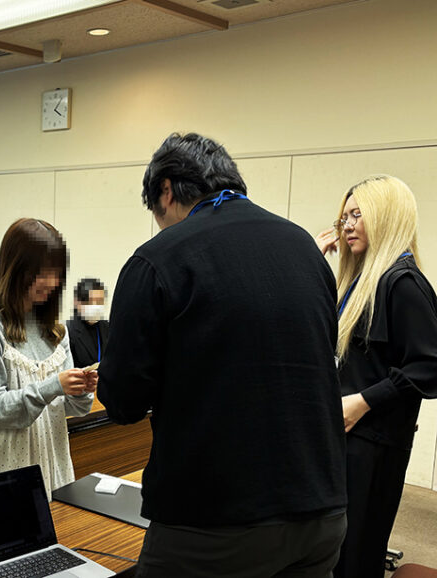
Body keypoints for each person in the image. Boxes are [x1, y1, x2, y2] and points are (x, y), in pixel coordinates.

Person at [97, 133, 347, 577]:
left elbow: (122, 402)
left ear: (166, 190)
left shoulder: (157, 259)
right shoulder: (305, 249)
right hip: (321, 509)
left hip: (214, 524)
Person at [315, 175, 437, 578]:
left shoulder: (402, 283)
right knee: (335, 547)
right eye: (344, 217)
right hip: (350, 437)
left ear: (385, 215)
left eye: (358, 215)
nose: (347, 226)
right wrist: (315, 261)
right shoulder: (364, 281)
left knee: (357, 551)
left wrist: (362, 402)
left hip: (374, 444)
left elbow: (429, 367)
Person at [0, 218, 96, 495]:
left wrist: (80, 390)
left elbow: (66, 409)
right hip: (2, 468)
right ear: (16, 269)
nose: (52, 282)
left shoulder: (54, 330)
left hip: (51, 463)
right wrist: (53, 386)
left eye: (57, 273)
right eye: (43, 273)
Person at [66, 278, 109, 368]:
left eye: (99, 301)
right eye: (90, 301)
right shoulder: (68, 330)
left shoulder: (108, 327)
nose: (95, 306)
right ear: (77, 302)